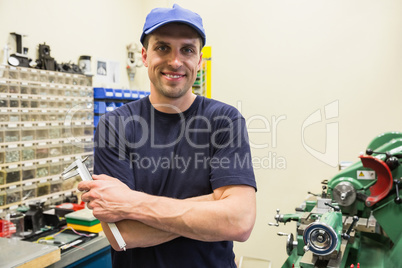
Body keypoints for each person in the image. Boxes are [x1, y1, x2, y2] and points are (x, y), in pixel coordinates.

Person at [78, 4, 257, 267]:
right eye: (162, 47)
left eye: (187, 49)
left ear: (199, 60)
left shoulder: (224, 121)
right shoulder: (115, 125)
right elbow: (123, 235)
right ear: (144, 55)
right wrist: (214, 206)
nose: (175, 61)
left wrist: (131, 202)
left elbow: (239, 222)